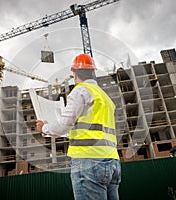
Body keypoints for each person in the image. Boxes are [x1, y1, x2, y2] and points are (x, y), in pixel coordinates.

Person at [36, 53, 121, 200]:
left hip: (88, 161)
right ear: (93, 72)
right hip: (112, 161)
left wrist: (45, 128)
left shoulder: (81, 90)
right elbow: (90, 131)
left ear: (74, 73)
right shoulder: (105, 97)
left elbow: (64, 124)